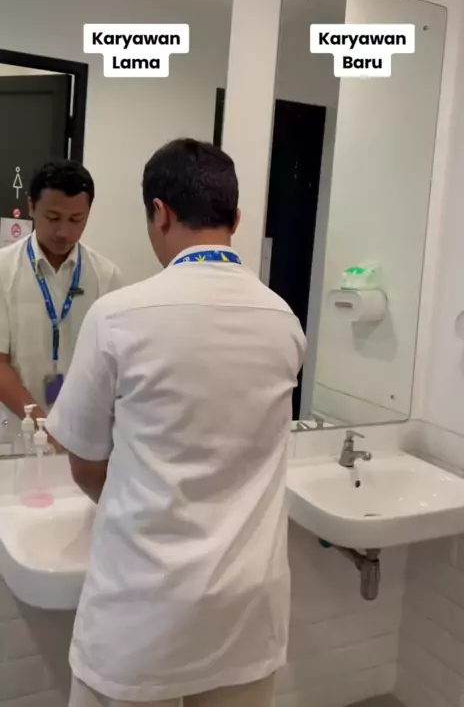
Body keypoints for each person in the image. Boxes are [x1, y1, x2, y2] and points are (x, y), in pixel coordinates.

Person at [46, 138, 306, 707]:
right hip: (246, 608)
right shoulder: (284, 320)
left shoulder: (118, 316)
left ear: (159, 212)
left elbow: (86, 465)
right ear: (236, 218)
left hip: (144, 610)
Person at [0, 159, 122, 434]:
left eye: (76, 219)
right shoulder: (3, 269)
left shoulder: (106, 276)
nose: (63, 232)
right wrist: (45, 430)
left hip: (84, 434)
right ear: (31, 207)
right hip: (15, 431)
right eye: (53, 218)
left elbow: (114, 366)